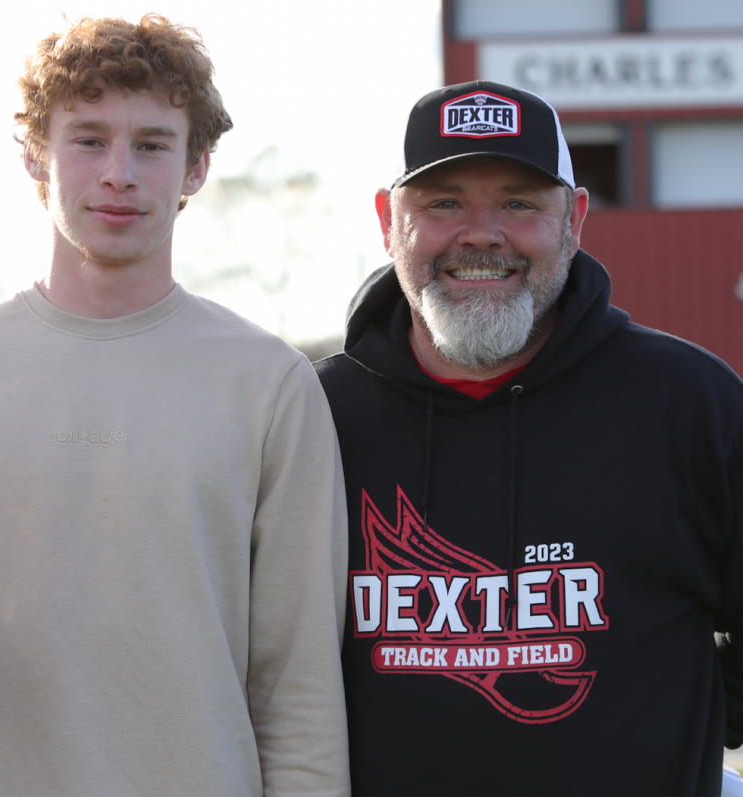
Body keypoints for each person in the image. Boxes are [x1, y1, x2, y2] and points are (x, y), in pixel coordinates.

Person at [0, 15, 349, 797]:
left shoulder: (271, 383)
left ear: (196, 167)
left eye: (152, 144)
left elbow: (299, 690)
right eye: (87, 139)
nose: (120, 172)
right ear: (34, 157)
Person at [314, 81, 743, 795]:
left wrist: (685, 724)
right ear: (390, 219)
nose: (481, 233)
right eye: (443, 201)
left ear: (573, 219)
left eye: (518, 202)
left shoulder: (688, 402)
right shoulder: (315, 415)